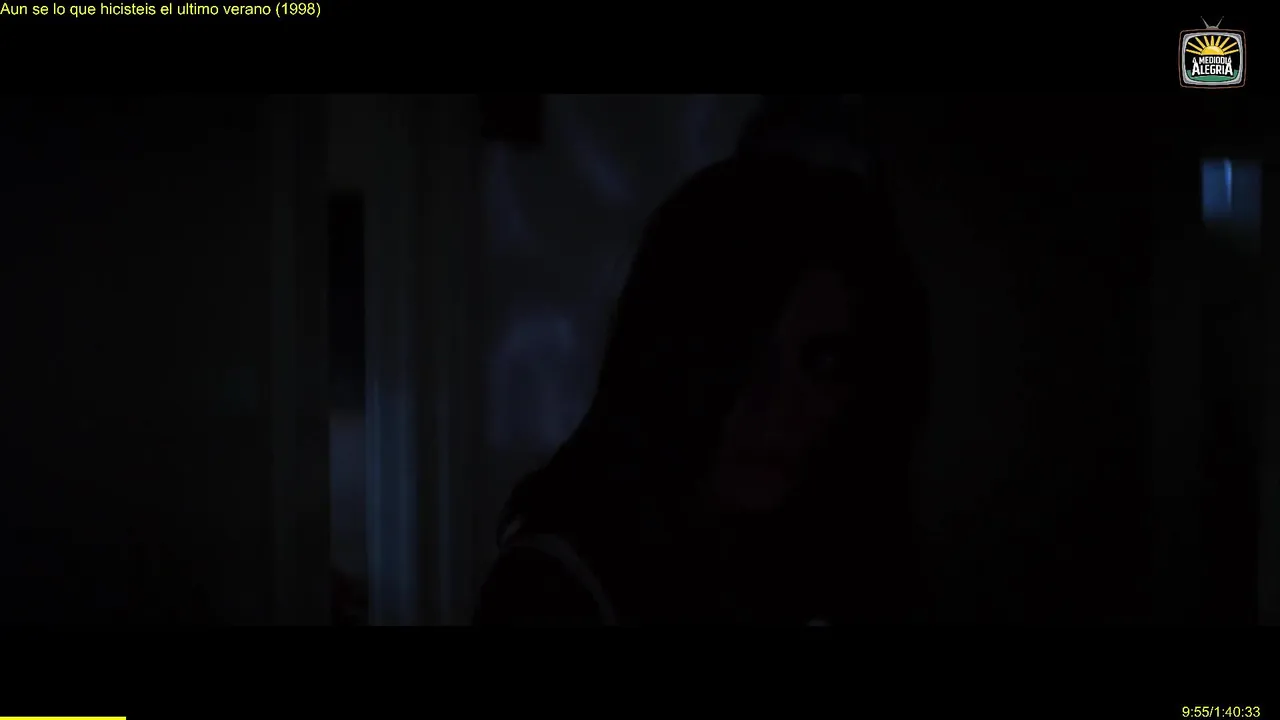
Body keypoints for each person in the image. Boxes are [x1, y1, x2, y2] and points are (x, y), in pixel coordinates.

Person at [473, 153, 930, 625]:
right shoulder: (555, 591)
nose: (779, 406)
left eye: (823, 364)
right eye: (743, 353)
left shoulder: (844, 569)